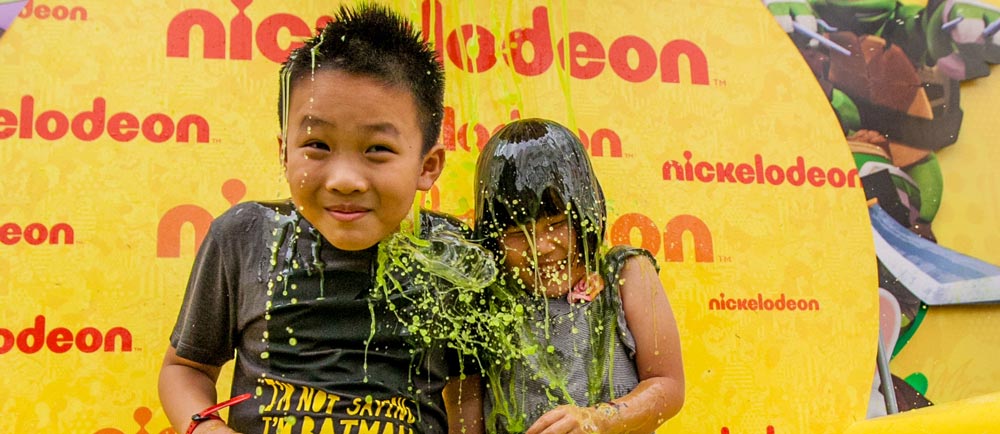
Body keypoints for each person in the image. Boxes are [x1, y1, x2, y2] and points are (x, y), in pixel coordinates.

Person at [158, 4, 485, 434]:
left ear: (428, 166)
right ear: (284, 153)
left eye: (377, 149)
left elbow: (470, 392)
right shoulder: (245, 236)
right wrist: (205, 428)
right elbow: (185, 369)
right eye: (317, 145)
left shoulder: (453, 255)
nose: (345, 180)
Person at [473, 118, 685, 434]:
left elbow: (667, 386)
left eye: (556, 224)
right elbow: (465, 421)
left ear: (587, 211)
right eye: (518, 233)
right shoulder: (485, 297)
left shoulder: (624, 274)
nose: (540, 247)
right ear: (493, 239)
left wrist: (596, 420)